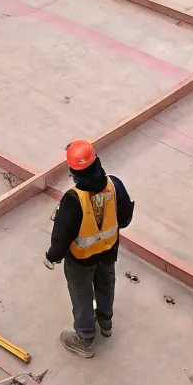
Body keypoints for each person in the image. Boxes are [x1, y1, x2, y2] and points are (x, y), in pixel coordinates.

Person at [44, 140, 134, 359]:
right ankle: (105, 323)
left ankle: (84, 338)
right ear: (97, 162)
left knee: (82, 294)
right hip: (108, 252)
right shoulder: (115, 185)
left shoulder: (73, 199)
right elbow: (125, 218)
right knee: (106, 285)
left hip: (81, 259)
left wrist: (52, 257)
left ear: (73, 172)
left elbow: (62, 234)